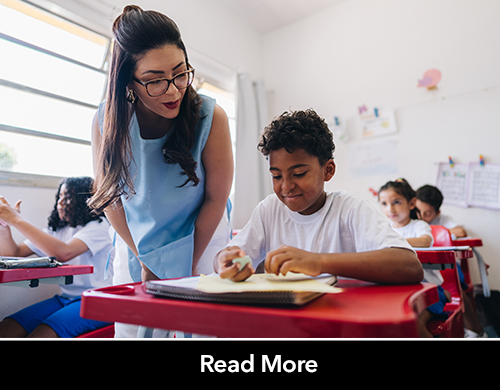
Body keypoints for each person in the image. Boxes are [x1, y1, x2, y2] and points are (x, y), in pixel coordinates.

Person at [87, 5, 233, 286]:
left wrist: (185, 262)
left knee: (198, 324)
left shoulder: (211, 116)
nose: (174, 90)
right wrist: (146, 260)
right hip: (134, 240)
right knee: (132, 325)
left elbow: (216, 198)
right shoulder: (106, 122)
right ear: (129, 82)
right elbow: (110, 197)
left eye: (180, 73)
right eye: (155, 81)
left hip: (201, 235)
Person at [214, 109, 423, 288]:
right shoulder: (269, 210)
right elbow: (227, 257)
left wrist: (318, 262)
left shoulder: (349, 209)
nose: (286, 186)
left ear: (328, 170)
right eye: (276, 176)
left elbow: (409, 265)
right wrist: (223, 261)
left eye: (299, 174)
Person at [0, 177, 113, 338]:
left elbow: (64, 253)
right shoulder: (57, 229)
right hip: (64, 299)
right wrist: (5, 225)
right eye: (59, 197)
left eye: (67, 197)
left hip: (97, 300)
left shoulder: (99, 227)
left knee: (40, 335)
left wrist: (16, 220)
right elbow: (13, 253)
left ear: (84, 200)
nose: (60, 202)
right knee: (6, 329)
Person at [378, 179, 449, 337]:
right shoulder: (385, 230)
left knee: (414, 325)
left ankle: (443, 294)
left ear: (412, 203)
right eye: (384, 203)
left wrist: (392, 243)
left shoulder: (418, 226)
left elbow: (425, 241)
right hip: (399, 291)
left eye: (396, 202)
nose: (390, 208)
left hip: (428, 290)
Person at [416, 184, 486, 337]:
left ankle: (476, 331)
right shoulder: (411, 222)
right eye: (419, 211)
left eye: (427, 213)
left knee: (458, 288)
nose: (422, 216)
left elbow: (460, 231)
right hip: (423, 270)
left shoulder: (441, 220)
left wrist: (432, 233)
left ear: (437, 212)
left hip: (446, 268)